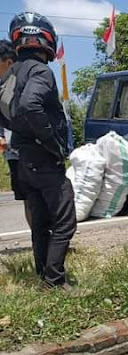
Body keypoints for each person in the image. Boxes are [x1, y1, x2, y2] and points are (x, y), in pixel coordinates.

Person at [8, 12, 76, 289]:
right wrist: (52, 143)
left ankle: (43, 275)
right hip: (42, 159)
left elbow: (11, 110)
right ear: (46, 39)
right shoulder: (40, 71)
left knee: (40, 220)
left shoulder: (12, 72)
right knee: (64, 220)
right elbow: (29, 105)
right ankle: (55, 281)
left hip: (23, 159)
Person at [0, 40, 31, 228]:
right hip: (14, 154)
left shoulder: (29, 82)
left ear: (8, 62)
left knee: (43, 197)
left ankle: (53, 241)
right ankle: (40, 241)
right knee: (28, 198)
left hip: (34, 151)